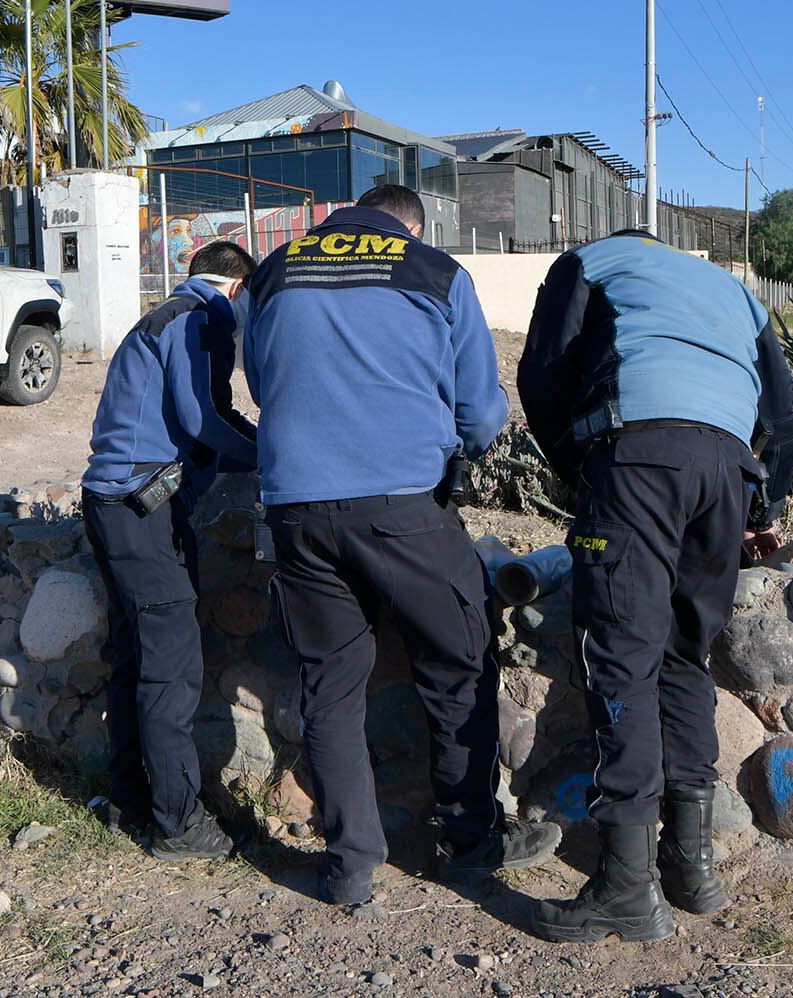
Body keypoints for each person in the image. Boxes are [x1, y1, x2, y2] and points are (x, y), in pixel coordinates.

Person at [243, 184, 562, 907]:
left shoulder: (275, 268)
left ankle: (352, 861)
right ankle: (470, 843)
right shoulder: (433, 270)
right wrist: (453, 447)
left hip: (295, 505)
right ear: (411, 226)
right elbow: (481, 412)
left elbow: (264, 383)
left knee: (330, 683)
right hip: (402, 509)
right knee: (456, 667)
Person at [516, 229, 793, 943]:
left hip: (638, 457)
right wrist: (761, 511)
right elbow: (789, 424)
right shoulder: (734, 292)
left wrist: (581, 473)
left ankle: (622, 886)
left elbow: (542, 376)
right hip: (728, 470)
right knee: (682, 658)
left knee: (620, 660)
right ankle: (690, 868)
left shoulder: (593, 261)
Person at [81, 240, 260, 861]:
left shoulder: (164, 312)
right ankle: (178, 823)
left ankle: (131, 797)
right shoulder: (201, 318)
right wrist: (276, 456)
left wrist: (250, 441)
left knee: (136, 655)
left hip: (115, 504)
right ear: (237, 288)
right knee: (172, 666)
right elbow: (205, 420)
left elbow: (213, 417)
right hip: (140, 508)